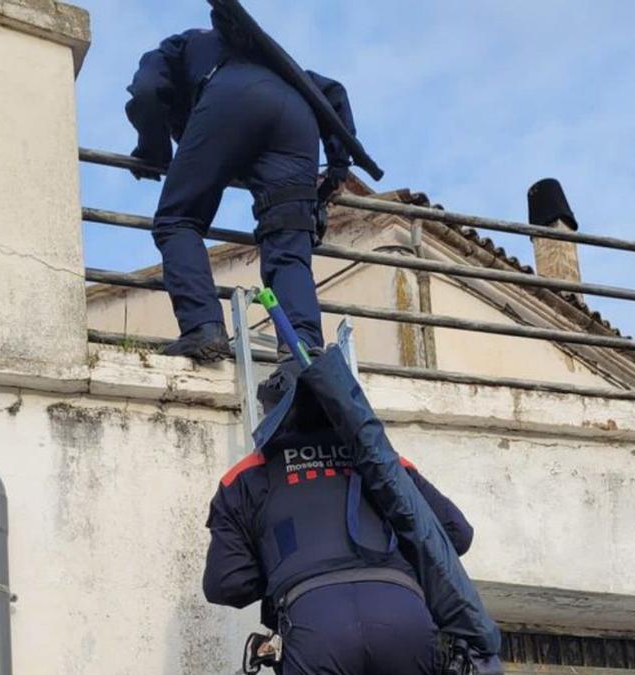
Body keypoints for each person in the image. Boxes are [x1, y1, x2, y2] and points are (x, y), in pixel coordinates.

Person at [203, 364, 475, 674]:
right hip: (403, 618)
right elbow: (457, 533)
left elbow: (226, 584)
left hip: (314, 628)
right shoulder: (382, 460)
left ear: (270, 410)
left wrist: (284, 566)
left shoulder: (243, 477)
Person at [125, 14, 355, 361]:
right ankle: (303, 348)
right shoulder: (268, 54)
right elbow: (332, 92)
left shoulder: (178, 45)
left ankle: (204, 327)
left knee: (177, 220)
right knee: (287, 241)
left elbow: (145, 91)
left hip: (228, 98)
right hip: (297, 116)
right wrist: (337, 166)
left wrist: (154, 150)